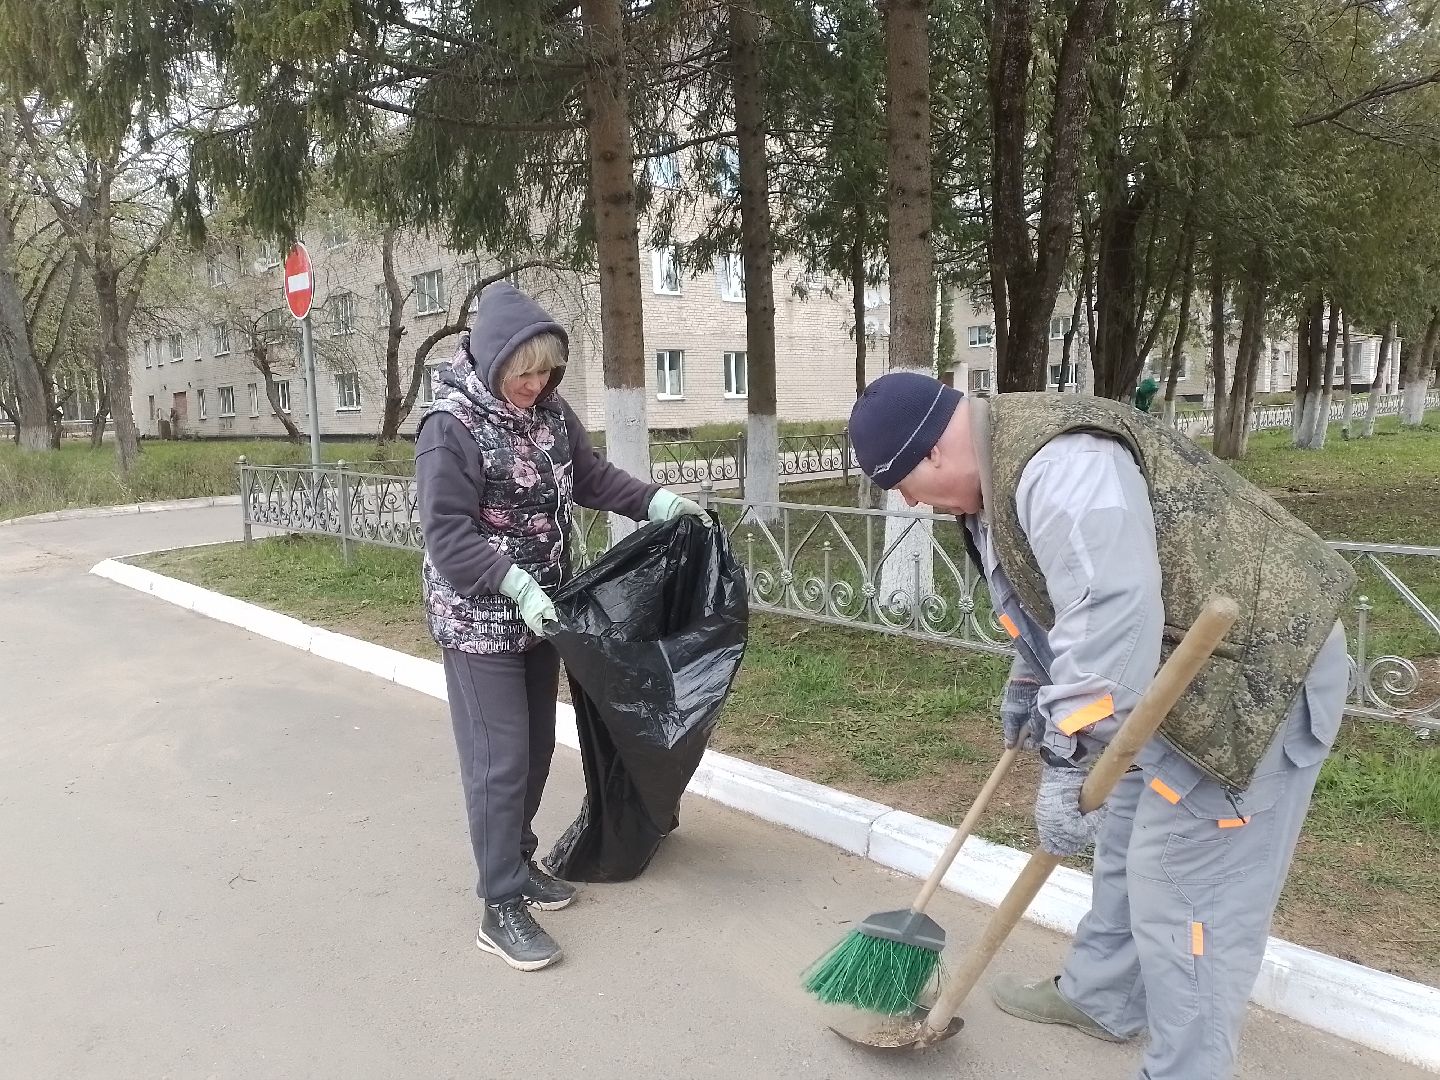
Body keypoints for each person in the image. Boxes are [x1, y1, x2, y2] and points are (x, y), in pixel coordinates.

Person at [847, 372, 1354, 1080]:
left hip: (1253, 683)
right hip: (1170, 679)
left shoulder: (1061, 465)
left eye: (902, 483)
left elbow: (1112, 607)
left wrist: (1069, 753)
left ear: (931, 454)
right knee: (1121, 833)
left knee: (1186, 894)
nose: (908, 502)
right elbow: (1055, 596)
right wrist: (1031, 677)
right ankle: (1104, 998)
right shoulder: (992, 477)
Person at [416, 282, 708, 972]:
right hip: (479, 617)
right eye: (524, 373)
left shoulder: (549, 412)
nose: (536, 384)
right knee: (501, 761)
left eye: (547, 372)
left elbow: (592, 477)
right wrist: (512, 582)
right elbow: (446, 534)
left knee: (541, 748)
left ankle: (516, 861)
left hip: (543, 613)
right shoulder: (449, 426)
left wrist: (657, 503)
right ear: (492, 362)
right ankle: (499, 904)